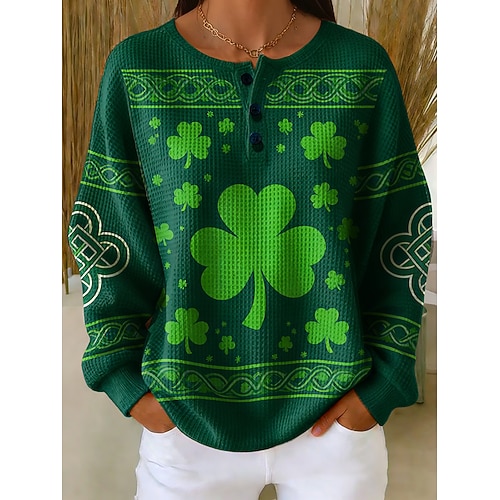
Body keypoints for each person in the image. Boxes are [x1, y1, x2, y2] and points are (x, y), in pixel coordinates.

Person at [67, 0, 433, 498]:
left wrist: (383, 385)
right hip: (184, 425)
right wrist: (127, 385)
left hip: (336, 430)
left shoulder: (362, 67)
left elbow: (400, 229)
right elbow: (108, 235)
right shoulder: (138, 68)